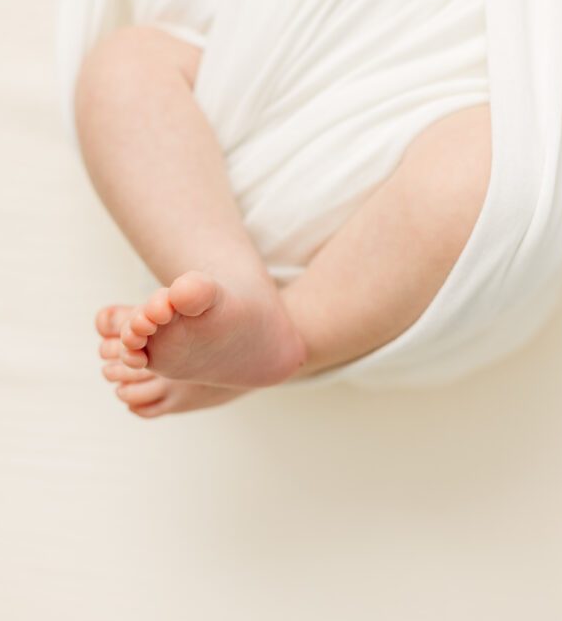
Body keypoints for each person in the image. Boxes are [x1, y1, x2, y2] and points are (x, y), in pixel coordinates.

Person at [76, 25, 491, 418]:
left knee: (484, 169)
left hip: (437, 91)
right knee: (121, 68)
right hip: (265, 84)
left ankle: (293, 335)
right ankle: (231, 284)